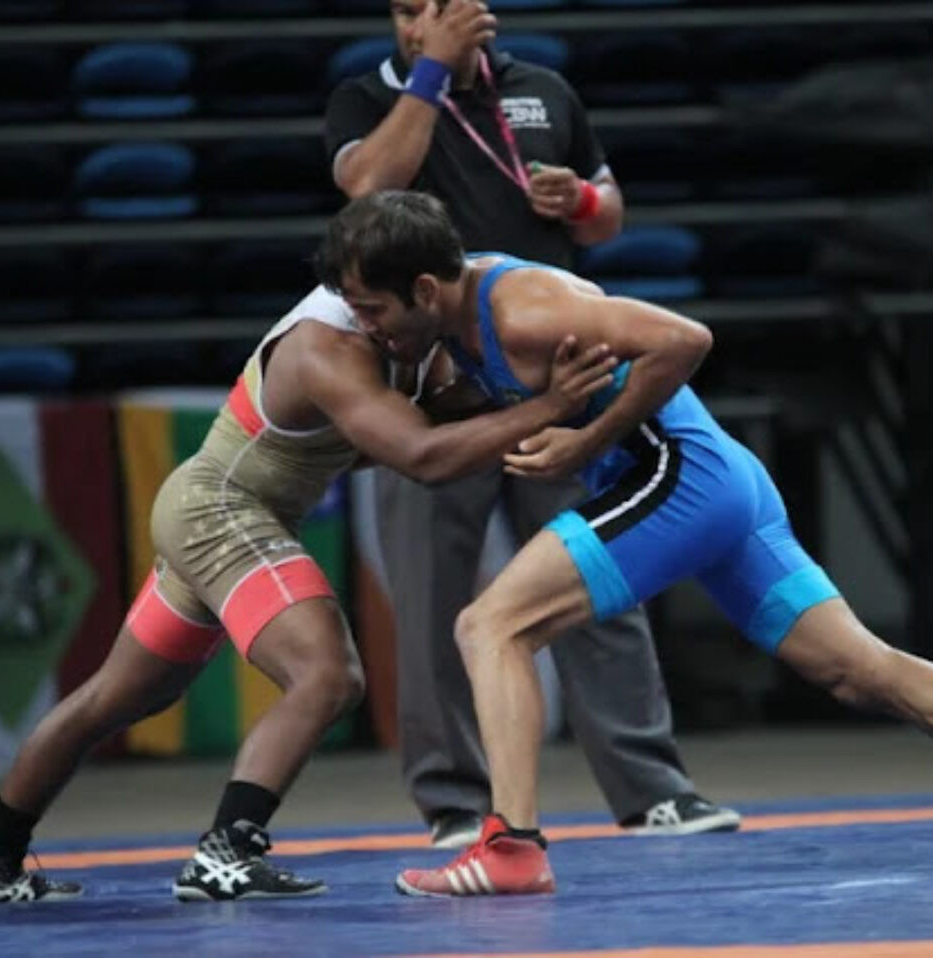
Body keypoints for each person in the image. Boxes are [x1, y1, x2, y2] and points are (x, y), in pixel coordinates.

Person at [312, 190, 933, 898]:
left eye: (372, 310)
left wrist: (587, 446)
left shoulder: (523, 308)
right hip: (720, 488)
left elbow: (684, 338)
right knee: (855, 668)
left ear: (423, 290)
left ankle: (511, 846)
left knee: (491, 625)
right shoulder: (452, 330)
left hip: (680, 476)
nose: (368, 329)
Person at [0, 279, 619, 904]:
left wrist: (531, 392)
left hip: (216, 511)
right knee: (327, 675)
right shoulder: (329, 345)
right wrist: (553, 405)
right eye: (365, 307)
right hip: (223, 512)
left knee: (116, 697)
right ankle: (226, 851)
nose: (372, 323)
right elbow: (422, 457)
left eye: (379, 311)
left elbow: (443, 409)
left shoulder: (411, 336)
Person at [324, 0, 737, 848]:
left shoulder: (543, 92)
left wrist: (581, 198)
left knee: (597, 576)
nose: (416, 26)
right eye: (405, 12)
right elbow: (372, 185)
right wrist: (431, 71)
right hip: (436, 378)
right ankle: (455, 804)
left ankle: (650, 789)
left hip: (555, 366)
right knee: (434, 595)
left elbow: (610, 210)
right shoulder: (369, 97)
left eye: (435, 10)